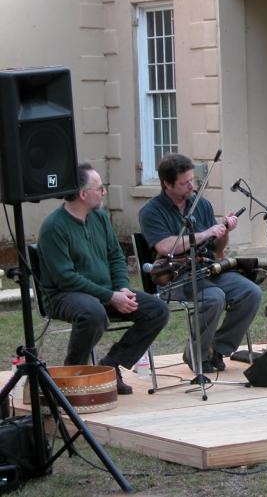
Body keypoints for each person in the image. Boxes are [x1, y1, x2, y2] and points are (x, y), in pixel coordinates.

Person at [38, 163, 170, 394]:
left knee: (157, 309)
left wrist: (121, 288)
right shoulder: (53, 227)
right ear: (82, 194)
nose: (104, 192)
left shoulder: (99, 218)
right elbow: (65, 278)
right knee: (92, 313)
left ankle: (111, 365)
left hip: (106, 292)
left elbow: (116, 257)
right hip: (64, 296)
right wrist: (111, 296)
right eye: (100, 188)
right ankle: (73, 376)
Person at [139, 153, 261, 373]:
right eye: (185, 183)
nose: (191, 186)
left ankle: (217, 348)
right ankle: (197, 356)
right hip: (175, 276)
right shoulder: (151, 211)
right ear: (167, 184)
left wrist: (224, 230)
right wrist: (206, 233)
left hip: (208, 269)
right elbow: (166, 247)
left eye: (192, 180)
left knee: (251, 292)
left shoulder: (201, 204)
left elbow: (217, 247)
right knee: (214, 298)